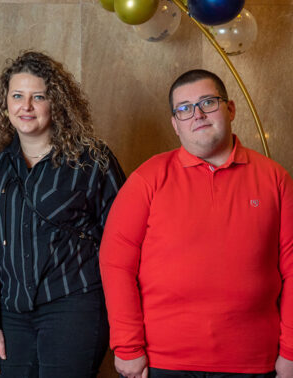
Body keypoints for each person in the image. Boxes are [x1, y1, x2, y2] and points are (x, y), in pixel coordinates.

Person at [100, 69, 293, 378]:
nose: (198, 114)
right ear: (175, 125)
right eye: (185, 108)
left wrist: (291, 351)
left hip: (253, 361)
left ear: (230, 109)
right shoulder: (147, 179)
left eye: (208, 102)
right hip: (162, 362)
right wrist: (127, 347)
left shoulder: (274, 179)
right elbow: (115, 264)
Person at [0, 51, 126, 378]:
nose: (26, 106)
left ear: (56, 103)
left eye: (38, 97)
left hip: (75, 305)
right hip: (10, 312)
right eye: (17, 96)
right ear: (6, 103)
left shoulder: (93, 159)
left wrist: (127, 326)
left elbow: (123, 241)